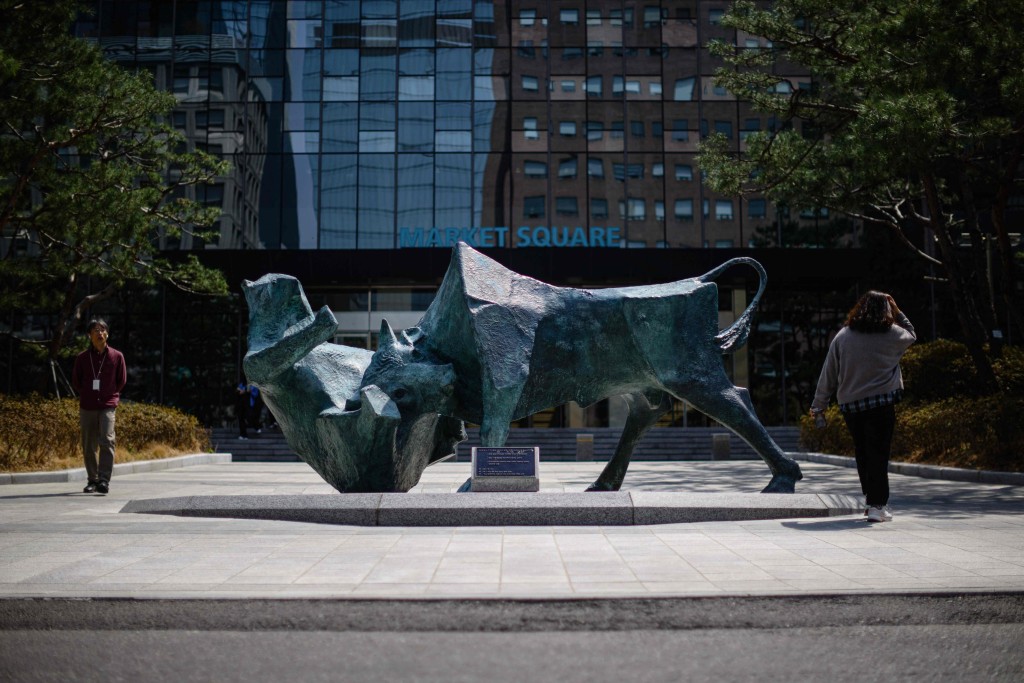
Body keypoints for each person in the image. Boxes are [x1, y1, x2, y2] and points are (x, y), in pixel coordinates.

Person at [811, 291, 916, 523]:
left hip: (851, 406)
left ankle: (871, 500)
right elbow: (912, 334)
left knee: (863, 452)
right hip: (881, 403)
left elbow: (829, 372)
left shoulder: (843, 336)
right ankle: (876, 505)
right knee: (878, 453)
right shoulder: (893, 334)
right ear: (886, 311)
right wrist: (898, 312)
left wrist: (819, 405)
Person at [70, 318, 127, 494]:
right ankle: (92, 480)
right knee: (88, 444)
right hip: (87, 405)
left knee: (107, 440)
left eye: (103, 330)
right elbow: (76, 381)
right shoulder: (82, 358)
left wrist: (109, 395)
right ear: (89, 335)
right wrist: (88, 394)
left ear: (107, 334)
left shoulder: (117, 356)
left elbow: (121, 381)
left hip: (108, 405)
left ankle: (104, 480)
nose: (100, 333)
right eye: (95, 330)